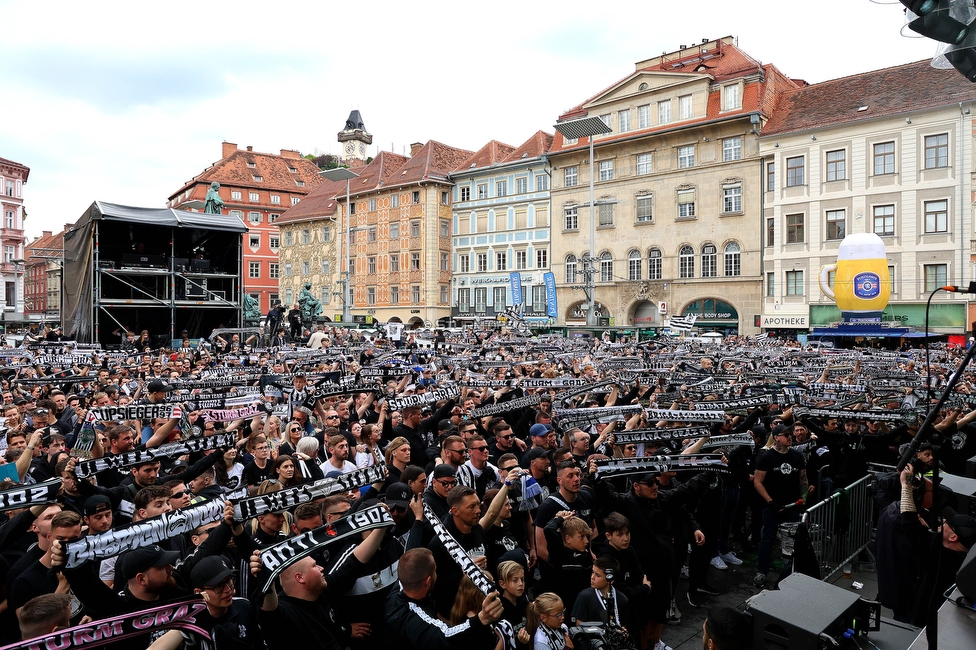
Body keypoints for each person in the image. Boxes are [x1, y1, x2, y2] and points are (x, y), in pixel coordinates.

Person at [385, 548, 502, 650]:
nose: (437, 573)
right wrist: (482, 619)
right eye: (435, 571)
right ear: (428, 581)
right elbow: (447, 635)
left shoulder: (403, 585)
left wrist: (464, 572)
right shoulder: (413, 620)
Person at [753, 425, 809, 588]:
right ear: (776, 437)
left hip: (792, 506)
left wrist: (803, 500)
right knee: (767, 539)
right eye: (786, 435)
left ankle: (791, 572)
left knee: (793, 541)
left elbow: (803, 480)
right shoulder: (767, 457)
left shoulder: (797, 456)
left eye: (790, 434)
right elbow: (758, 482)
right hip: (772, 507)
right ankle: (761, 571)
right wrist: (770, 501)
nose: (790, 437)